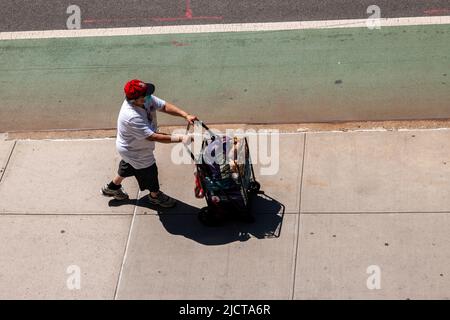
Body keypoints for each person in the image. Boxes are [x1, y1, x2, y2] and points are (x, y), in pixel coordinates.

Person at [102, 79, 197, 207]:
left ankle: (112, 187)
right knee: (150, 173)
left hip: (130, 148)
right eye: (146, 94)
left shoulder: (145, 98)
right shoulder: (132, 116)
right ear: (136, 99)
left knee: (129, 165)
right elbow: (153, 136)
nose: (149, 96)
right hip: (135, 150)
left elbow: (163, 106)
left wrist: (185, 115)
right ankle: (155, 196)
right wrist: (180, 138)